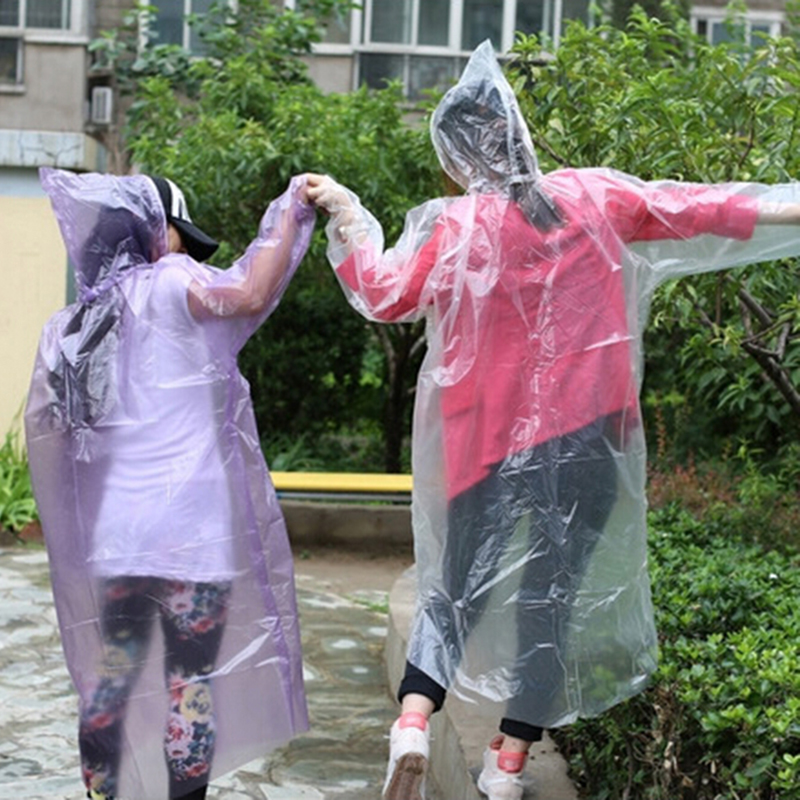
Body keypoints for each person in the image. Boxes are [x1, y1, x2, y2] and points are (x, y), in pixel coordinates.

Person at [306, 40, 800, 800]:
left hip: (484, 451)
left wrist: (345, 210)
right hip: (588, 443)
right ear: (520, 135)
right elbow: (704, 207)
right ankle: (508, 765)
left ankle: (412, 722)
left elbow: (383, 291)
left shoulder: (456, 228)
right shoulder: (594, 196)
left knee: (453, 591)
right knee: (549, 601)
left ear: (457, 160)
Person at [25, 169, 316, 799]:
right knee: (190, 685)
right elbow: (249, 292)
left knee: (111, 680)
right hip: (190, 535)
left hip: (119, 539)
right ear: (157, 232)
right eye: (180, 233)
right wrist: (291, 209)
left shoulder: (83, 317)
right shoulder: (169, 283)